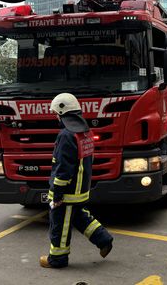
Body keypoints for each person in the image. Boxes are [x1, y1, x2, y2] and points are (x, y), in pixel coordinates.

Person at [40, 93, 113, 269]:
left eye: (56, 113)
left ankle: (57, 259)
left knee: (60, 225)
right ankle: (104, 240)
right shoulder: (85, 132)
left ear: (62, 112)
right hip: (81, 190)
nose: (56, 117)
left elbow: (63, 169)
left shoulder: (66, 135)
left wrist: (57, 195)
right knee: (80, 218)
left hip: (67, 193)